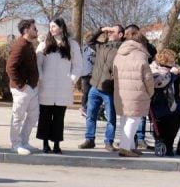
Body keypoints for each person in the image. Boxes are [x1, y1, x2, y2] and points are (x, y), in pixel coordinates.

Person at [35, 18, 84, 154]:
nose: (51, 29)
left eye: (54, 26)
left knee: (59, 118)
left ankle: (56, 144)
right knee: (44, 116)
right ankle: (45, 143)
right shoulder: (44, 44)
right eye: (50, 26)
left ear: (61, 28)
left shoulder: (72, 45)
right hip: (47, 86)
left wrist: (72, 79)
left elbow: (78, 65)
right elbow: (38, 63)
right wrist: (41, 76)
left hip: (63, 86)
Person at [80, 24, 122, 151]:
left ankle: (108, 142)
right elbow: (89, 41)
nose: (109, 33)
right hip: (95, 86)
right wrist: (101, 30)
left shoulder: (122, 49)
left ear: (120, 35)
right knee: (90, 115)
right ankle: (89, 139)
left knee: (111, 117)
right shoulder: (101, 46)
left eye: (112, 31)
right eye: (108, 32)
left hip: (109, 88)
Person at [112, 32, 153, 157]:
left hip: (121, 91)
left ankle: (130, 146)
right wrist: (150, 92)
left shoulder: (119, 53)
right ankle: (125, 148)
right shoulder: (141, 55)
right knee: (133, 119)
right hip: (137, 92)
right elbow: (147, 77)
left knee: (125, 119)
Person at [150, 48, 180, 156]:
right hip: (160, 102)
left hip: (176, 100)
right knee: (173, 122)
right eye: (171, 61)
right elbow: (159, 83)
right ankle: (168, 146)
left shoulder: (176, 69)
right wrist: (172, 74)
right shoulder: (154, 69)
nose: (174, 63)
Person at [6, 18, 40, 154]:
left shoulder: (28, 44)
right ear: (26, 30)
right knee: (17, 116)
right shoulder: (20, 45)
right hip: (22, 89)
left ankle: (24, 141)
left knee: (33, 115)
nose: (36, 30)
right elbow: (10, 67)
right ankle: (16, 144)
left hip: (31, 87)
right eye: (34, 28)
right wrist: (22, 85)